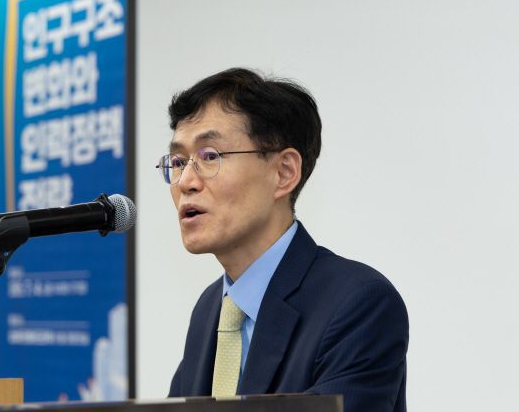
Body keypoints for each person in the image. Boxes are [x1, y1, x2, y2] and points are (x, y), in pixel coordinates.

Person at [157, 68, 408, 412]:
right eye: (177, 161)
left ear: (284, 172)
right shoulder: (210, 309)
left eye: (210, 156)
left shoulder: (358, 304)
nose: (186, 181)